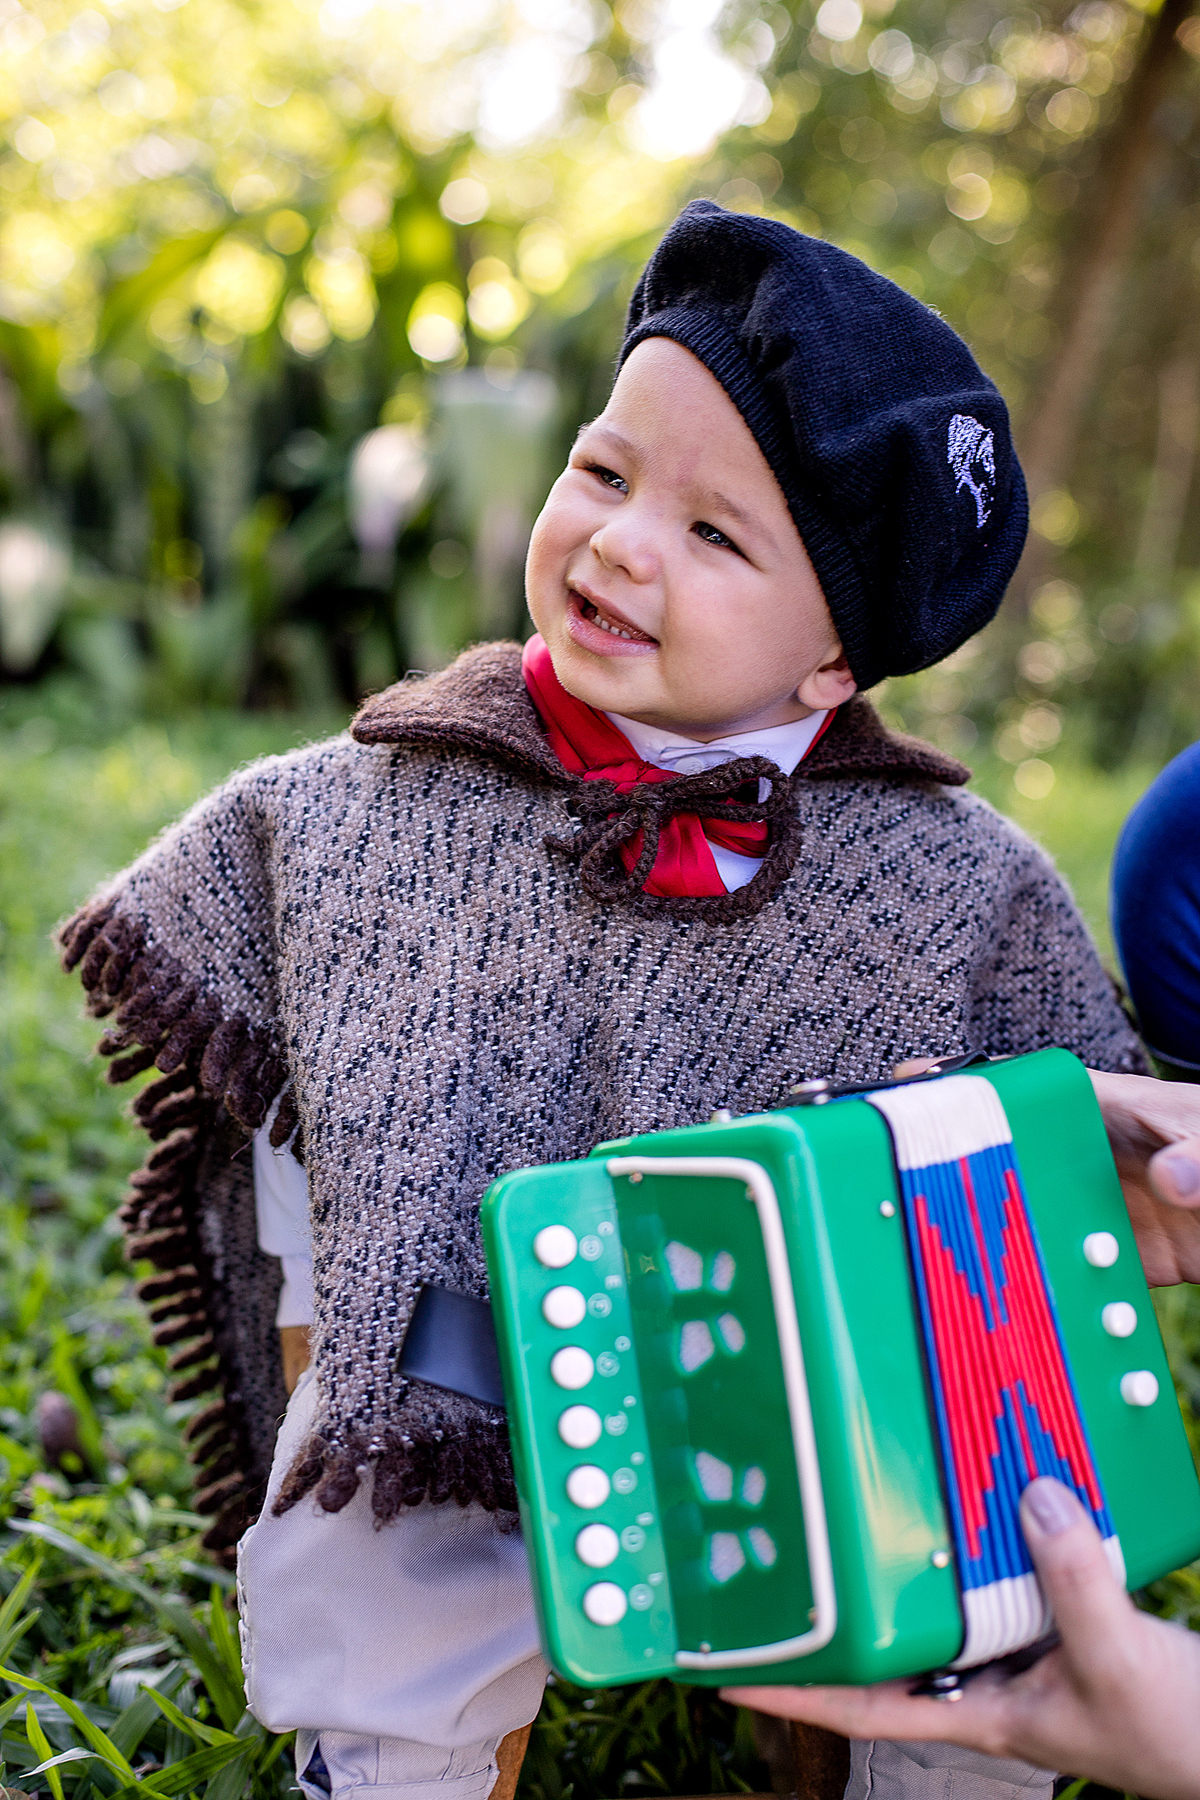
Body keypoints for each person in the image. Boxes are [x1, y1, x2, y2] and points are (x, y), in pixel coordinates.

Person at [60, 200, 1146, 1800]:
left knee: (981, 1582)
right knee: (385, 1533)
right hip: (460, 1360)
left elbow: (1055, 1150)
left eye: (717, 536)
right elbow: (287, 1049)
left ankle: (921, 1762)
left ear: (836, 661)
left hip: (831, 1405)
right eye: (605, 472)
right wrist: (337, 1290)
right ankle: (399, 1759)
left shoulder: (944, 877)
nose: (623, 542)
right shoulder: (379, 804)